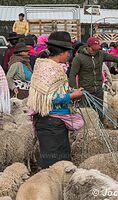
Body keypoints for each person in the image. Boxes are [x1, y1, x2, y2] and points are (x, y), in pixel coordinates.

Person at [27, 31, 84, 169]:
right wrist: (71, 96)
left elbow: (54, 90)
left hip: (51, 121)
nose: (69, 55)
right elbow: (49, 97)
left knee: (57, 161)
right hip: (51, 122)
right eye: (68, 52)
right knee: (55, 164)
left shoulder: (44, 66)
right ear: (62, 52)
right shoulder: (50, 69)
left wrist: (71, 91)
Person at [69, 37, 118, 103]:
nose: (95, 51)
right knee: (87, 112)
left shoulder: (100, 54)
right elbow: (72, 74)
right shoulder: (79, 58)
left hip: (98, 92)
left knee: (99, 112)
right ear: (88, 46)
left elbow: (113, 58)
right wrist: (74, 89)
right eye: (93, 49)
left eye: (96, 49)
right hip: (85, 92)